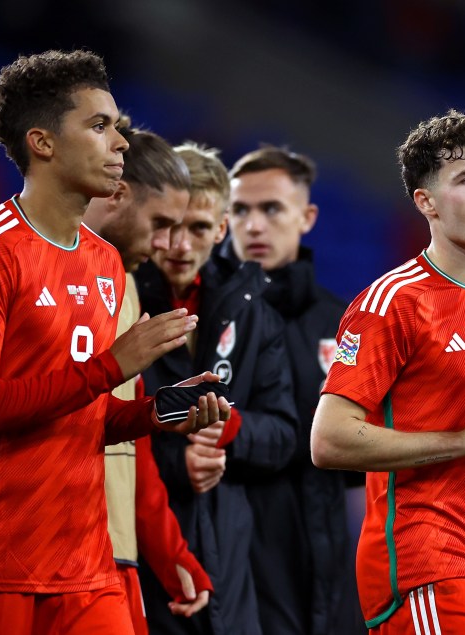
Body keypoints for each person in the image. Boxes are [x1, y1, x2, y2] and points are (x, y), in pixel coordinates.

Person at [0, 50, 229, 635]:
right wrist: (111, 365)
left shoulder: (105, 263)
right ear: (43, 143)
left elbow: (84, 416)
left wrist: (160, 411)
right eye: (99, 126)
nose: (121, 143)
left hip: (83, 568)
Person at [310, 109, 465, 634]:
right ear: (426, 202)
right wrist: (463, 439)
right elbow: (328, 441)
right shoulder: (393, 302)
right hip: (423, 563)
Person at [135, 142, 299, 635]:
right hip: (139, 560)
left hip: (229, 564)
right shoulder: (120, 296)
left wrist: (232, 429)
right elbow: (91, 431)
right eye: (171, 227)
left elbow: (287, 435)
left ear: (222, 229)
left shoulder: (253, 312)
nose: (182, 246)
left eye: (200, 228)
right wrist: (174, 465)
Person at [225, 145, 366, 635]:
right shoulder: (205, 316)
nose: (254, 226)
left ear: (306, 217)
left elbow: (359, 456)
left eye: (271, 209)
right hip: (237, 550)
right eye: (240, 210)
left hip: (326, 554)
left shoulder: (342, 320)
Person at [81, 124, 213, 633]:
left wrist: (168, 551)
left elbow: (124, 448)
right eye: (160, 223)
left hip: (111, 558)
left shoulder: (127, 287)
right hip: (34, 557)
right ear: (118, 193)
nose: (166, 245)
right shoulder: (25, 265)